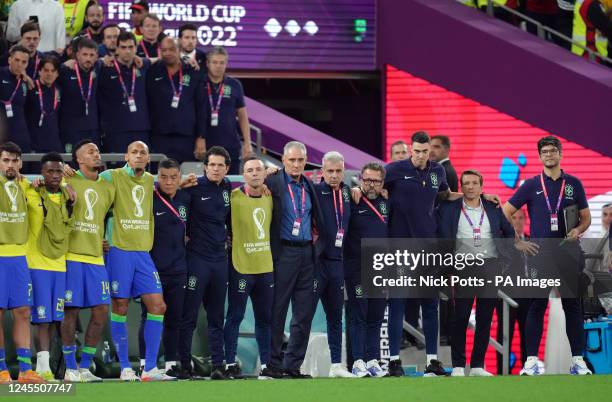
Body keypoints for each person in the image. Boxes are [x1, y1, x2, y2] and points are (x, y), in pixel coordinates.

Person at [502, 135, 593, 375]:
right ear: (540, 156)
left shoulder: (573, 183)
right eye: (545, 152)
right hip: (541, 255)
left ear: (561, 154)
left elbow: (586, 218)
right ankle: (531, 361)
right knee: (536, 305)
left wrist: (577, 230)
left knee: (573, 306)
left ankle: (578, 361)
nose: (549, 155)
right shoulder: (531, 185)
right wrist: (516, 242)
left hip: (568, 253)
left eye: (553, 151)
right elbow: (506, 210)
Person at [102, 141, 171, 381]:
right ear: (126, 156)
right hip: (119, 250)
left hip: (143, 253)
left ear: (148, 158)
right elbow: (88, 190)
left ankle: (149, 368)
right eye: (134, 152)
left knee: (158, 306)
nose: (139, 156)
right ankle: (124, 367)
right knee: (120, 306)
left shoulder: (152, 180)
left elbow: (175, 183)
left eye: (143, 153)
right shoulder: (111, 176)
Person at [437, 169, 514, 377]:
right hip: (463, 267)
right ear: (461, 187)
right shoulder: (449, 209)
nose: (470, 186)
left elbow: (509, 233)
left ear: (482, 186)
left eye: (474, 183)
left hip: (490, 266)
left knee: (485, 318)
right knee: (460, 317)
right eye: (466, 183)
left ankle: (478, 365)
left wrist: (503, 261)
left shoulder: (493, 207)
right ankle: (459, 366)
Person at [265, 141, 326, 379]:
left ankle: (293, 365)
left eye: (301, 160)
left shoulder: (309, 185)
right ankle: (274, 364)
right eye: (292, 160)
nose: (297, 164)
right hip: (283, 253)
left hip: (306, 254)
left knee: (303, 313)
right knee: (277, 311)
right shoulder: (272, 182)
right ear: (283, 159)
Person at [61, 139, 114, 383]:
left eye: (97, 151)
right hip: (72, 256)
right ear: (79, 160)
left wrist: (105, 239)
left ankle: (85, 366)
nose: (96, 154)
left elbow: (107, 218)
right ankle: (70, 368)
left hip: (96, 258)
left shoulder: (107, 186)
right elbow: (42, 183)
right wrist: (60, 170)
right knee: (70, 311)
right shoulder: (67, 180)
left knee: (101, 310)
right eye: (90, 152)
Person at [178, 146, 232, 380]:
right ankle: (184, 365)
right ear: (205, 166)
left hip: (220, 261)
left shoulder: (228, 188)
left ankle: (218, 365)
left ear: (227, 168)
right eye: (212, 164)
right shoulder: (192, 187)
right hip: (197, 259)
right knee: (188, 315)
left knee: (217, 316)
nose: (216, 169)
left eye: (221, 165)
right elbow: (179, 218)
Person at [223, 156, 275, 380]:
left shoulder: (271, 196)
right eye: (250, 170)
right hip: (241, 267)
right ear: (243, 175)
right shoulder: (233, 198)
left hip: (265, 267)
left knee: (265, 319)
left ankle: (265, 365)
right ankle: (229, 363)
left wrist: (272, 171)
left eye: (259, 170)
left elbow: (282, 168)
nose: (254, 173)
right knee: (234, 316)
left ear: (264, 174)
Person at [138, 158, 189, 376]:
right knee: (148, 316)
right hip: (152, 269)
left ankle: (170, 364)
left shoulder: (187, 198)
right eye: (164, 177)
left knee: (174, 319)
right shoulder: (148, 198)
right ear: (157, 178)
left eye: (173, 177)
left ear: (179, 178)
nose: (168, 182)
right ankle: (144, 363)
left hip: (179, 269)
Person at [25, 152, 74, 381]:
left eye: (58, 171)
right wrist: (32, 182)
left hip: (60, 265)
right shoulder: (31, 191)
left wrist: (66, 183)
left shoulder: (68, 196)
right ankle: (41, 367)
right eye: (49, 171)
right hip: (37, 264)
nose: (54, 175)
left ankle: (50, 365)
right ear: (42, 174)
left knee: (56, 318)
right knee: (41, 319)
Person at [0, 142, 45, 384]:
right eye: (5, 160)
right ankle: (1, 370)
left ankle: (26, 370)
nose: (10, 165)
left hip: (20, 258)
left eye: (14, 161)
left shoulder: (26, 186)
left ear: (20, 163)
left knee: (23, 311)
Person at [344, 162, 389, 378]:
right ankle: (358, 361)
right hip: (356, 269)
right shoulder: (351, 200)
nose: (371, 185)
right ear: (360, 179)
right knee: (358, 316)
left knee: (376, 317)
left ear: (382, 183)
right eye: (367, 180)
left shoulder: (387, 203)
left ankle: (372, 360)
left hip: (380, 269)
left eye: (376, 181)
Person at [312, 151, 354, 377]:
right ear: (322, 171)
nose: (334, 175)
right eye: (330, 171)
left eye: (338, 171)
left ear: (344, 171)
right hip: (316, 263)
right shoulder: (314, 191)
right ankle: (292, 364)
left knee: (336, 316)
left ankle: (337, 364)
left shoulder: (348, 192)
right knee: (304, 314)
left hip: (337, 263)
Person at [146, 36, 206, 163]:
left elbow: (201, 107)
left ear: (179, 49)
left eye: (171, 49)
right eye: (164, 50)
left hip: (187, 137)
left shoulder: (193, 71)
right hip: (159, 136)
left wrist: (201, 137)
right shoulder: (152, 71)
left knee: (186, 179)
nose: (167, 53)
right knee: (160, 178)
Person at [98, 31, 150, 153]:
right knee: (117, 170)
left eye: (131, 47)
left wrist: (186, 58)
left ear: (136, 48)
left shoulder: (143, 65)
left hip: (140, 128)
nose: (127, 51)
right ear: (117, 49)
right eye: (123, 47)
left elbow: (162, 58)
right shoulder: (105, 67)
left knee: (140, 169)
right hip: (115, 130)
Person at [203, 46, 252, 175]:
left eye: (222, 63)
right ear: (207, 64)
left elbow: (242, 115)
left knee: (231, 185)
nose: (218, 66)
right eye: (214, 62)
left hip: (230, 145)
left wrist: (247, 142)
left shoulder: (235, 85)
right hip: (206, 145)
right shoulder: (199, 83)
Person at [495, 207, 532, 375]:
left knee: (528, 335)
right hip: (507, 296)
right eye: (514, 218)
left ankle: (527, 369)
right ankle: (502, 372)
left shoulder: (533, 240)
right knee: (504, 335)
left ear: (525, 220)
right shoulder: (504, 242)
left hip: (528, 296)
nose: (517, 221)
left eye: (520, 218)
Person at [58, 37, 101, 151]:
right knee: (71, 165)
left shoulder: (99, 67)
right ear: (77, 55)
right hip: (70, 128)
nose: (88, 58)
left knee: (92, 164)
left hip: (92, 128)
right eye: (85, 54)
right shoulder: (65, 70)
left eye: (92, 55)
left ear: (97, 56)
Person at [25, 55, 62, 153]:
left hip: (53, 143)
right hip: (34, 143)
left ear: (57, 73)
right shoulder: (31, 88)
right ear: (39, 71)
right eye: (46, 70)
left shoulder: (58, 90)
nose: (49, 74)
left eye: (53, 71)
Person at [1, 45, 31, 153]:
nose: (19, 64)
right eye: (16, 60)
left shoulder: (25, 82)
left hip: (19, 134)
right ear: (9, 60)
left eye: (24, 62)